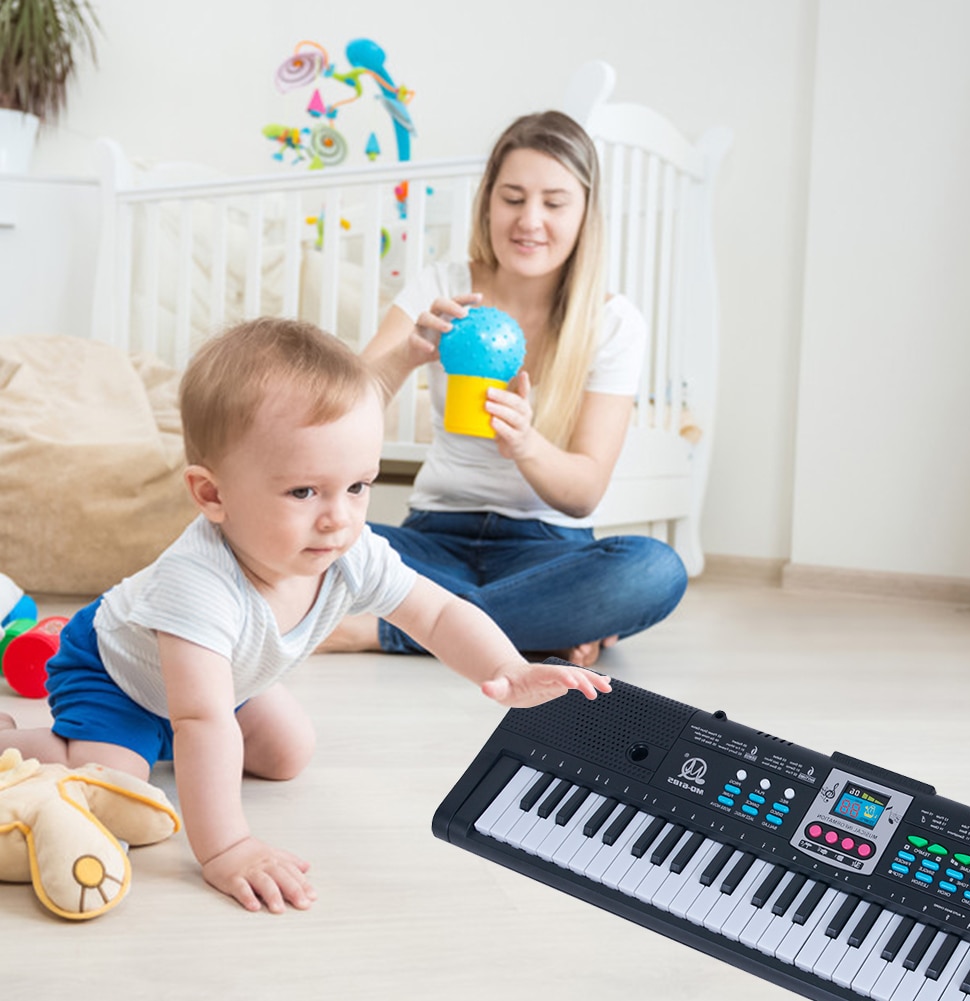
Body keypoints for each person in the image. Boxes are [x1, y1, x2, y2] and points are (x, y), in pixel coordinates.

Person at [0, 317, 610, 915]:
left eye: (357, 486)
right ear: (213, 495)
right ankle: (20, 740)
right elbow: (202, 720)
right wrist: (228, 848)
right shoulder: (197, 585)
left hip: (221, 683)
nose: (338, 518)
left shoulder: (349, 550)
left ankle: (158, 745)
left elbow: (439, 612)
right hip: (118, 676)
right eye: (303, 492)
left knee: (288, 752)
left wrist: (507, 665)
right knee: (118, 788)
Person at [322, 111, 688, 666]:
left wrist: (527, 445)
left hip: (546, 550)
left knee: (654, 570)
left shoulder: (614, 323)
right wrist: (408, 352)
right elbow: (342, 414)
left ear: (585, 211)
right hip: (432, 540)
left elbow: (584, 491)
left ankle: (382, 629)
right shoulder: (442, 284)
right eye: (513, 198)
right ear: (488, 202)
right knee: (290, 532)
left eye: (554, 202)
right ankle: (534, 625)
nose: (530, 220)